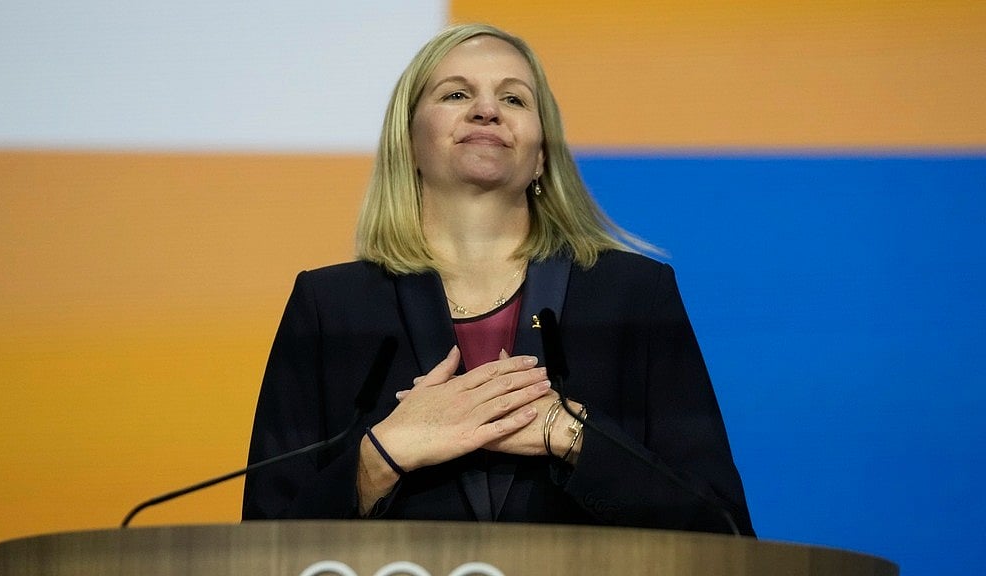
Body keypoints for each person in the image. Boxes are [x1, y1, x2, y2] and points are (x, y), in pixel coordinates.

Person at [242, 23, 754, 535]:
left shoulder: (633, 295)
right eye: (457, 93)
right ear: (410, 143)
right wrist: (381, 458)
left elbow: (724, 531)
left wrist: (572, 436)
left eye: (513, 98)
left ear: (541, 157)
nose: (486, 110)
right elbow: (261, 545)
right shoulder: (331, 306)